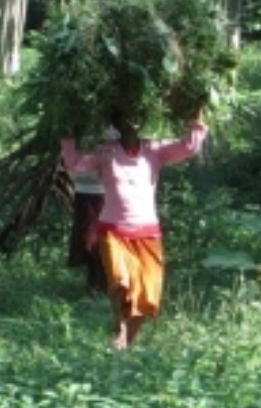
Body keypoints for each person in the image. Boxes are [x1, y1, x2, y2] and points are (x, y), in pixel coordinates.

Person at [60, 109, 208, 349]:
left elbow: (188, 147)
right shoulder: (106, 151)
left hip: (147, 232)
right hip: (113, 230)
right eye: (125, 120)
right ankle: (119, 329)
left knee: (147, 293)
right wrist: (67, 136)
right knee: (121, 281)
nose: (131, 125)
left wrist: (197, 119)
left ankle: (127, 342)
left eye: (137, 119)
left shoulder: (155, 150)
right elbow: (76, 164)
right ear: (118, 124)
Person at [67, 167, 108, 294]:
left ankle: (101, 284)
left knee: (101, 240)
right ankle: (93, 282)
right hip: (82, 193)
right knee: (86, 240)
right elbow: (70, 164)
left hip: (105, 194)